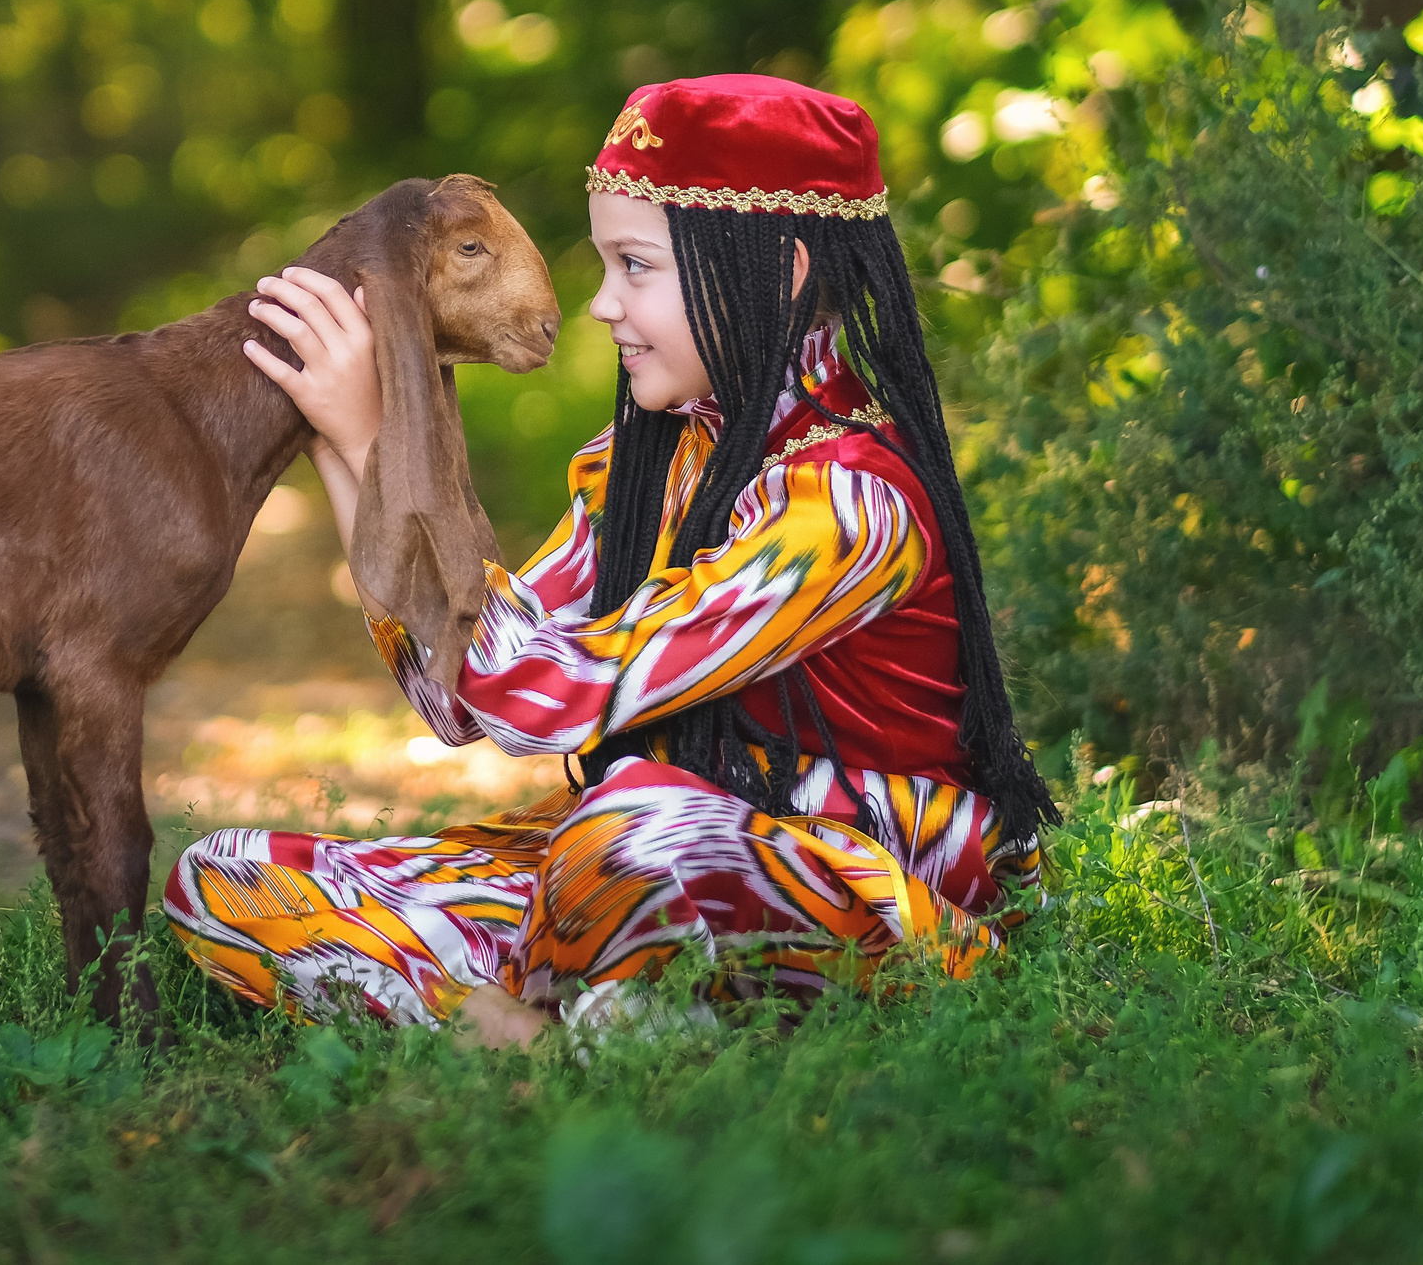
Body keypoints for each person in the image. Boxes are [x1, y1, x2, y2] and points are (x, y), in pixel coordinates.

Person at [161, 74, 1054, 1041]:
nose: (598, 306)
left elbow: (554, 689)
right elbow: (469, 702)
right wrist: (347, 441)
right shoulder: (644, 460)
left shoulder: (849, 501)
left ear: (782, 272)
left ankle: (549, 1020)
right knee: (229, 874)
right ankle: (562, 1022)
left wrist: (385, 446)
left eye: (635, 266)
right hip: (629, 864)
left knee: (629, 822)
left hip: (854, 885)